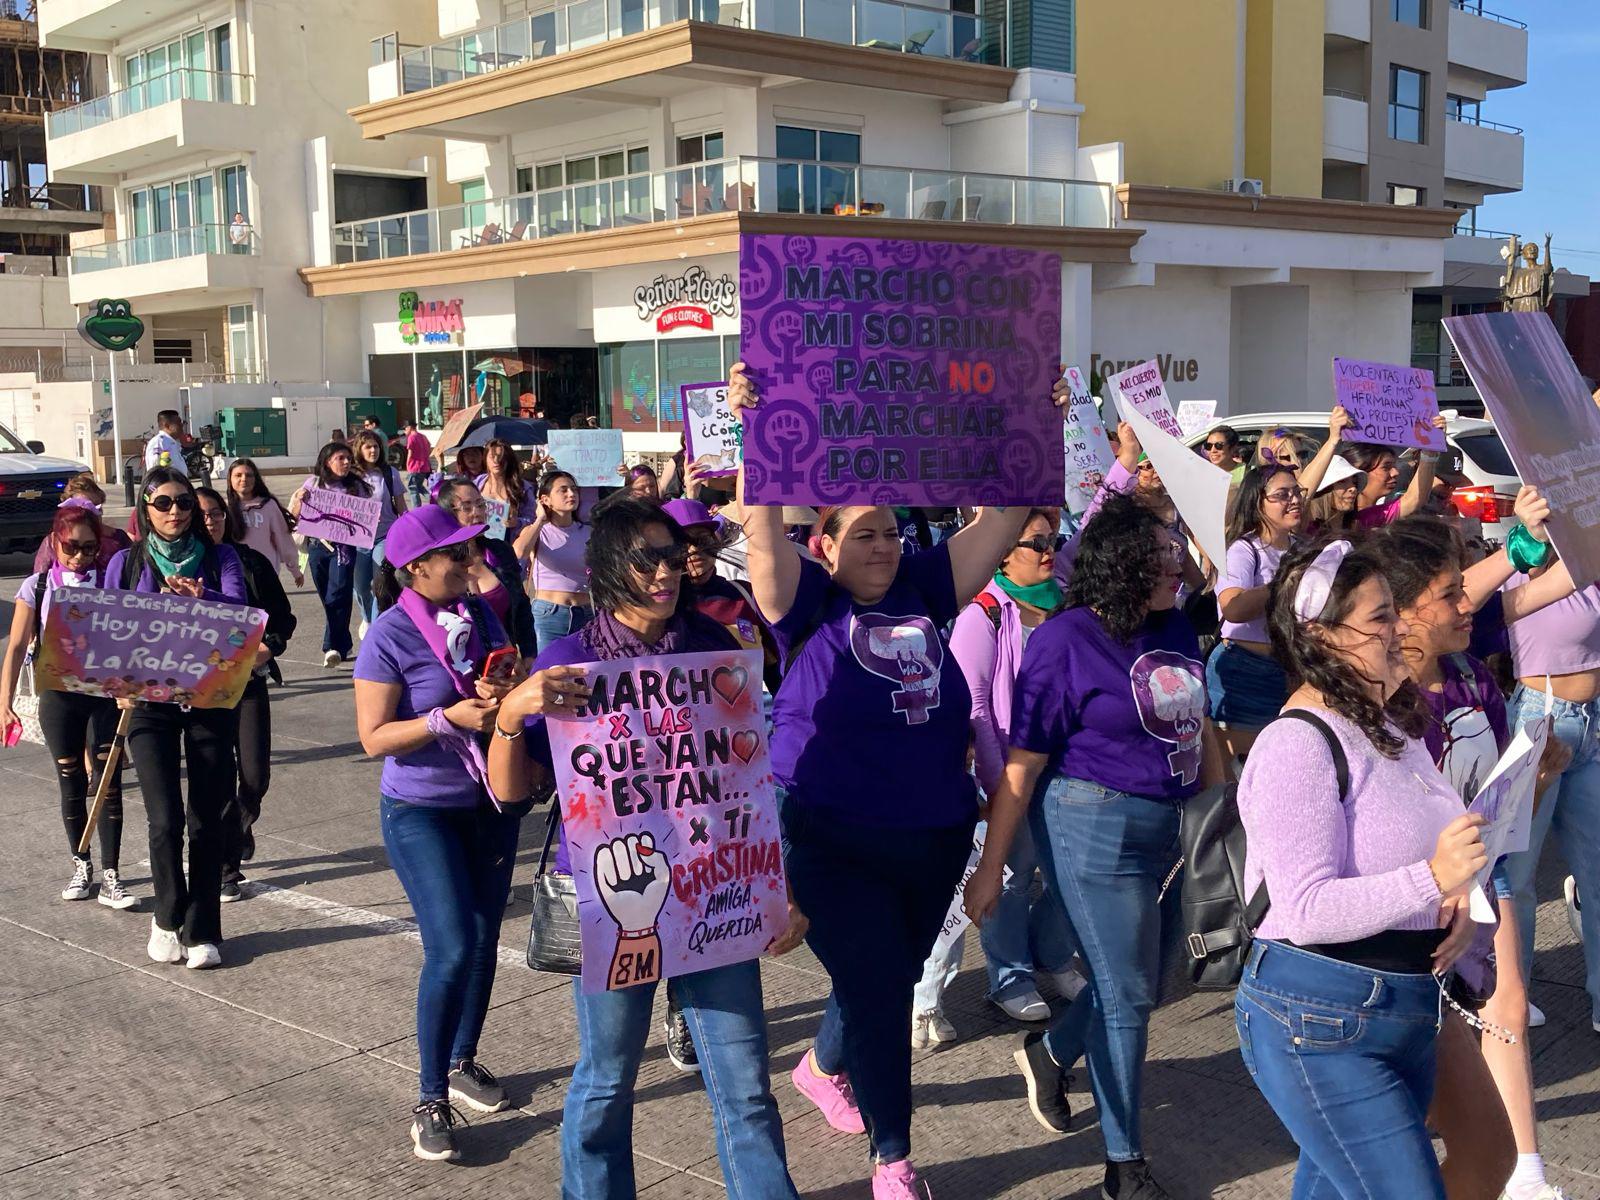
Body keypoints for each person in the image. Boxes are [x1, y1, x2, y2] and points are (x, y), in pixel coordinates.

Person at [730, 360, 1068, 1197]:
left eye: (889, 532)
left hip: (933, 834)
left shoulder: (923, 585)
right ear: (825, 545)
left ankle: (820, 1065)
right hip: (834, 837)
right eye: (863, 535)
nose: (882, 546)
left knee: (882, 975)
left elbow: (1006, 515)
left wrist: (1036, 417)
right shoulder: (807, 602)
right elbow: (763, 537)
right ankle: (894, 1159)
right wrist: (755, 427)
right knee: (881, 989)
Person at [486, 497, 802, 1200]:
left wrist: (777, 886)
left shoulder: (714, 648)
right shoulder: (571, 661)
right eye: (647, 558)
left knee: (747, 1085)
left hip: (716, 891)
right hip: (615, 895)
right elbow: (512, 792)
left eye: (672, 556)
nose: (666, 570)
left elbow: (748, 785)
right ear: (608, 566)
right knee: (607, 1079)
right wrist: (512, 712)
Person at [965, 495, 1223, 1200]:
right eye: (1162, 555)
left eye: (1176, 552)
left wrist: (1224, 816)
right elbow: (1022, 765)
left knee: (1143, 982)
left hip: (1177, 825)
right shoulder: (1065, 640)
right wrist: (991, 868)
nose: (1176, 566)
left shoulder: (1175, 626)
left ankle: (1051, 1052)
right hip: (1092, 825)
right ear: (1120, 563)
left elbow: (1201, 726)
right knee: (1129, 994)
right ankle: (1124, 1165)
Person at [1231, 537, 1488, 1197]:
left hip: (1401, 1005)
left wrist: (1455, 903)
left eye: (1395, 612)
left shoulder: (1391, 724)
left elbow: (1423, 853)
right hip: (1318, 1018)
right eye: (1378, 617)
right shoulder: (1296, 743)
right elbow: (1305, 910)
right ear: (1321, 636)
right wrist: (1432, 880)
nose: (1399, 629)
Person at [1374, 514, 1575, 1200]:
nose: (1469, 605)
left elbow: (1500, 806)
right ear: (1402, 611)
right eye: (1450, 594)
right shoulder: (1375, 705)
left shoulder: (1474, 680)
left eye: (1465, 589)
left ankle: (1527, 1175)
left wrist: (1539, 773)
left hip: (1486, 882)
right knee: (1413, 1062)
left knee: (1508, 1008)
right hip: (1409, 905)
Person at [352, 505, 529, 1163]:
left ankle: (462, 1060)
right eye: (455, 553)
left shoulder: (480, 615)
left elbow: (503, 691)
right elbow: (374, 738)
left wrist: (501, 688)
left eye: (469, 549)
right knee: (451, 947)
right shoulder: (390, 635)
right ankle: (430, 1097)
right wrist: (445, 719)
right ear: (416, 568)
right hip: (419, 809)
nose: (468, 560)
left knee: (482, 941)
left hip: (488, 801)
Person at [941, 508, 1079, 1037]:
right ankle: (1010, 977)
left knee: (1068, 874)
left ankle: (1053, 955)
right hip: (1013, 772)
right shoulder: (984, 616)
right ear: (1002, 554)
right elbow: (976, 708)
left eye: (1053, 541)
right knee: (1013, 878)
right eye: (1035, 543)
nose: (1048, 551)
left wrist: (1127, 469)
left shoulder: (1063, 602)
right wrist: (1000, 785)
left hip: (1068, 766)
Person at [107, 466, 248, 970]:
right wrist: (117, 686)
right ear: (145, 509)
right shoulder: (126, 562)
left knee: (206, 820)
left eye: (184, 502)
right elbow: (110, 625)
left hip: (208, 699)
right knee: (165, 820)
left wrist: (202, 598)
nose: (175, 512)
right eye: (163, 503)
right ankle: (166, 917)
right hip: (150, 704)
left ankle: (203, 928)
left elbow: (242, 613)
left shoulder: (221, 557)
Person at [0, 503, 136, 911]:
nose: (79, 556)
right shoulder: (38, 586)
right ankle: (82, 864)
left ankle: (112, 874)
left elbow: (132, 638)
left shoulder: (110, 582)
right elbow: (16, 646)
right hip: (58, 695)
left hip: (104, 696)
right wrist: (4, 703)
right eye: (71, 546)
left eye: (89, 548)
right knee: (70, 780)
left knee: (108, 781)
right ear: (54, 542)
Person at [1500, 569, 1600, 1039]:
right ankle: (1510, 995)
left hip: (1592, 723)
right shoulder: (1527, 560)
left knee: (1596, 868)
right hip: (1540, 717)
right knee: (1517, 872)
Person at [194, 487, 296, 904]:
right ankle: (226, 866)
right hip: (202, 689)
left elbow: (283, 618)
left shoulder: (250, 561)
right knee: (217, 776)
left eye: (217, 513)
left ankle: (238, 826)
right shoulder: (183, 568)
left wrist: (269, 646)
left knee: (254, 776)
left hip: (249, 681)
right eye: (202, 514)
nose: (210, 521)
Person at [1206, 464, 1305, 762]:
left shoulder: (1301, 548)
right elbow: (1233, 608)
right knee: (1242, 767)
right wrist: (1283, 581)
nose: (1294, 500)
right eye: (1282, 494)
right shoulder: (1243, 549)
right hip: (1245, 672)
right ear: (1257, 502)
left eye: (1297, 492)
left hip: (1291, 671)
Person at [435, 477, 536, 666]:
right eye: (467, 507)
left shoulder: (500, 551)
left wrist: (529, 656)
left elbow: (522, 607)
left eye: (481, 505)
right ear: (448, 514)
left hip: (504, 665)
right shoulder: (439, 564)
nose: (477, 512)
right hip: (459, 669)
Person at [291, 441, 372, 668]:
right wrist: (299, 502)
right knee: (328, 596)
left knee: (337, 593)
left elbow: (365, 518)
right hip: (317, 546)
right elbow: (295, 517)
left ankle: (331, 646)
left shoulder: (357, 486)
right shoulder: (313, 483)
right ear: (327, 462)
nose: (346, 463)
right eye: (340, 458)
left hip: (343, 548)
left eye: (348, 459)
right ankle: (343, 644)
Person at [519, 469, 593, 652]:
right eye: (563, 490)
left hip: (585, 613)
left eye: (574, 489)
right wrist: (539, 520)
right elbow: (519, 553)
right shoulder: (537, 531)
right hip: (549, 615)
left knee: (584, 668)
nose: (571, 494)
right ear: (545, 499)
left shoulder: (588, 532)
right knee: (546, 667)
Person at [352, 429, 408, 638]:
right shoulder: (351, 476)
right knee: (359, 587)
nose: (373, 450)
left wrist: (410, 529)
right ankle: (367, 618)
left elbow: (401, 507)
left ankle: (376, 626)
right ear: (359, 449)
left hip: (385, 536)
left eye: (376, 446)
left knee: (381, 583)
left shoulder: (389, 473)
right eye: (368, 447)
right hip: (358, 539)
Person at [1343, 428, 1445, 529]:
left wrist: (1431, 448)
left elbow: (1414, 499)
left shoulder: (1375, 515)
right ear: (1359, 473)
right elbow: (1413, 500)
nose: (1395, 473)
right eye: (1386, 467)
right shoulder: (1354, 519)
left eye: (1394, 466)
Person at [227, 457, 303, 586]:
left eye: (249, 475)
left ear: (256, 479)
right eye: (238, 475)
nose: (244, 479)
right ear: (230, 479)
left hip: (266, 572)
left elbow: (283, 539)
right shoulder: (225, 509)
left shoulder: (268, 505)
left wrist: (295, 570)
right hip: (237, 574)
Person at [476, 437, 537, 535]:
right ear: (485, 459)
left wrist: (517, 522)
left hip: (510, 541)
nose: (497, 461)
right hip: (480, 538)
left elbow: (532, 518)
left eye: (501, 457)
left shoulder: (523, 487)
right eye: (492, 456)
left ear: (509, 459)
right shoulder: (477, 483)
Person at [403, 420, 432, 509]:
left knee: (413, 488)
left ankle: (416, 508)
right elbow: (429, 447)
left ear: (410, 427)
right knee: (419, 486)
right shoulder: (423, 436)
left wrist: (407, 465)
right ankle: (433, 498)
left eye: (405, 428)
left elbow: (410, 453)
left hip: (415, 466)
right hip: (425, 466)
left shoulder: (411, 437)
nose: (404, 431)